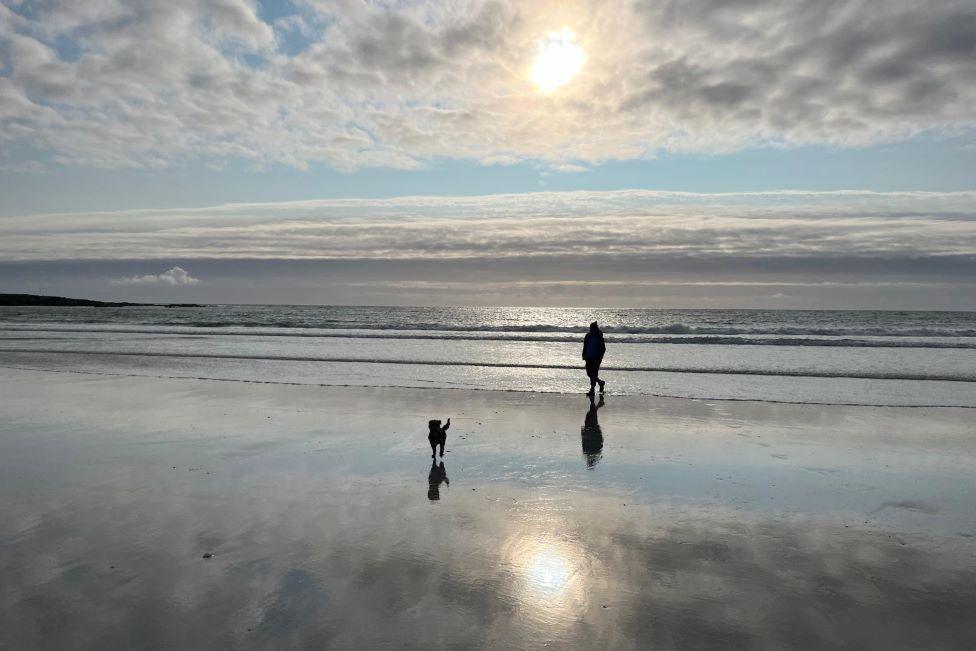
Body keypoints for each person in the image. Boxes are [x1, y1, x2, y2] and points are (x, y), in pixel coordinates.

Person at [581, 321, 606, 396]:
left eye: (592, 329)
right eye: (590, 328)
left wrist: (600, 358)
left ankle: (592, 390)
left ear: (595, 329)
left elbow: (603, 349)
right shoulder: (588, 336)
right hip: (588, 357)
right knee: (589, 373)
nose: (590, 330)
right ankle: (600, 382)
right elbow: (585, 346)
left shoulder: (599, 337)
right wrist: (583, 354)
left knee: (594, 374)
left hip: (596, 358)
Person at [581, 394, 605, 468]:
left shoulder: (589, 452)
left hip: (591, 430)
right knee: (591, 414)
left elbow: (584, 442)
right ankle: (592, 399)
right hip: (592, 429)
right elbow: (599, 442)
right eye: (589, 462)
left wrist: (583, 433)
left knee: (590, 414)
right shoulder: (593, 452)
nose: (588, 460)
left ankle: (596, 403)